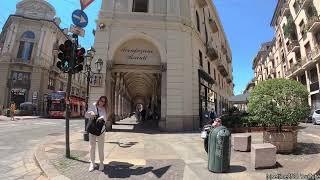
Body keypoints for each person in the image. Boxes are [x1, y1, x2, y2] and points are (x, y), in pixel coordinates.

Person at [85, 96, 109, 172]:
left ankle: (101, 163)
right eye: (101, 100)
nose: (102, 102)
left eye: (104, 101)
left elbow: (105, 118)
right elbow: (86, 115)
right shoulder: (93, 105)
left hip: (101, 131)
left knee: (101, 147)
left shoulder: (105, 108)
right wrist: (90, 113)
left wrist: (101, 118)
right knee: (92, 147)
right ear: (99, 100)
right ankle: (92, 163)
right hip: (92, 129)